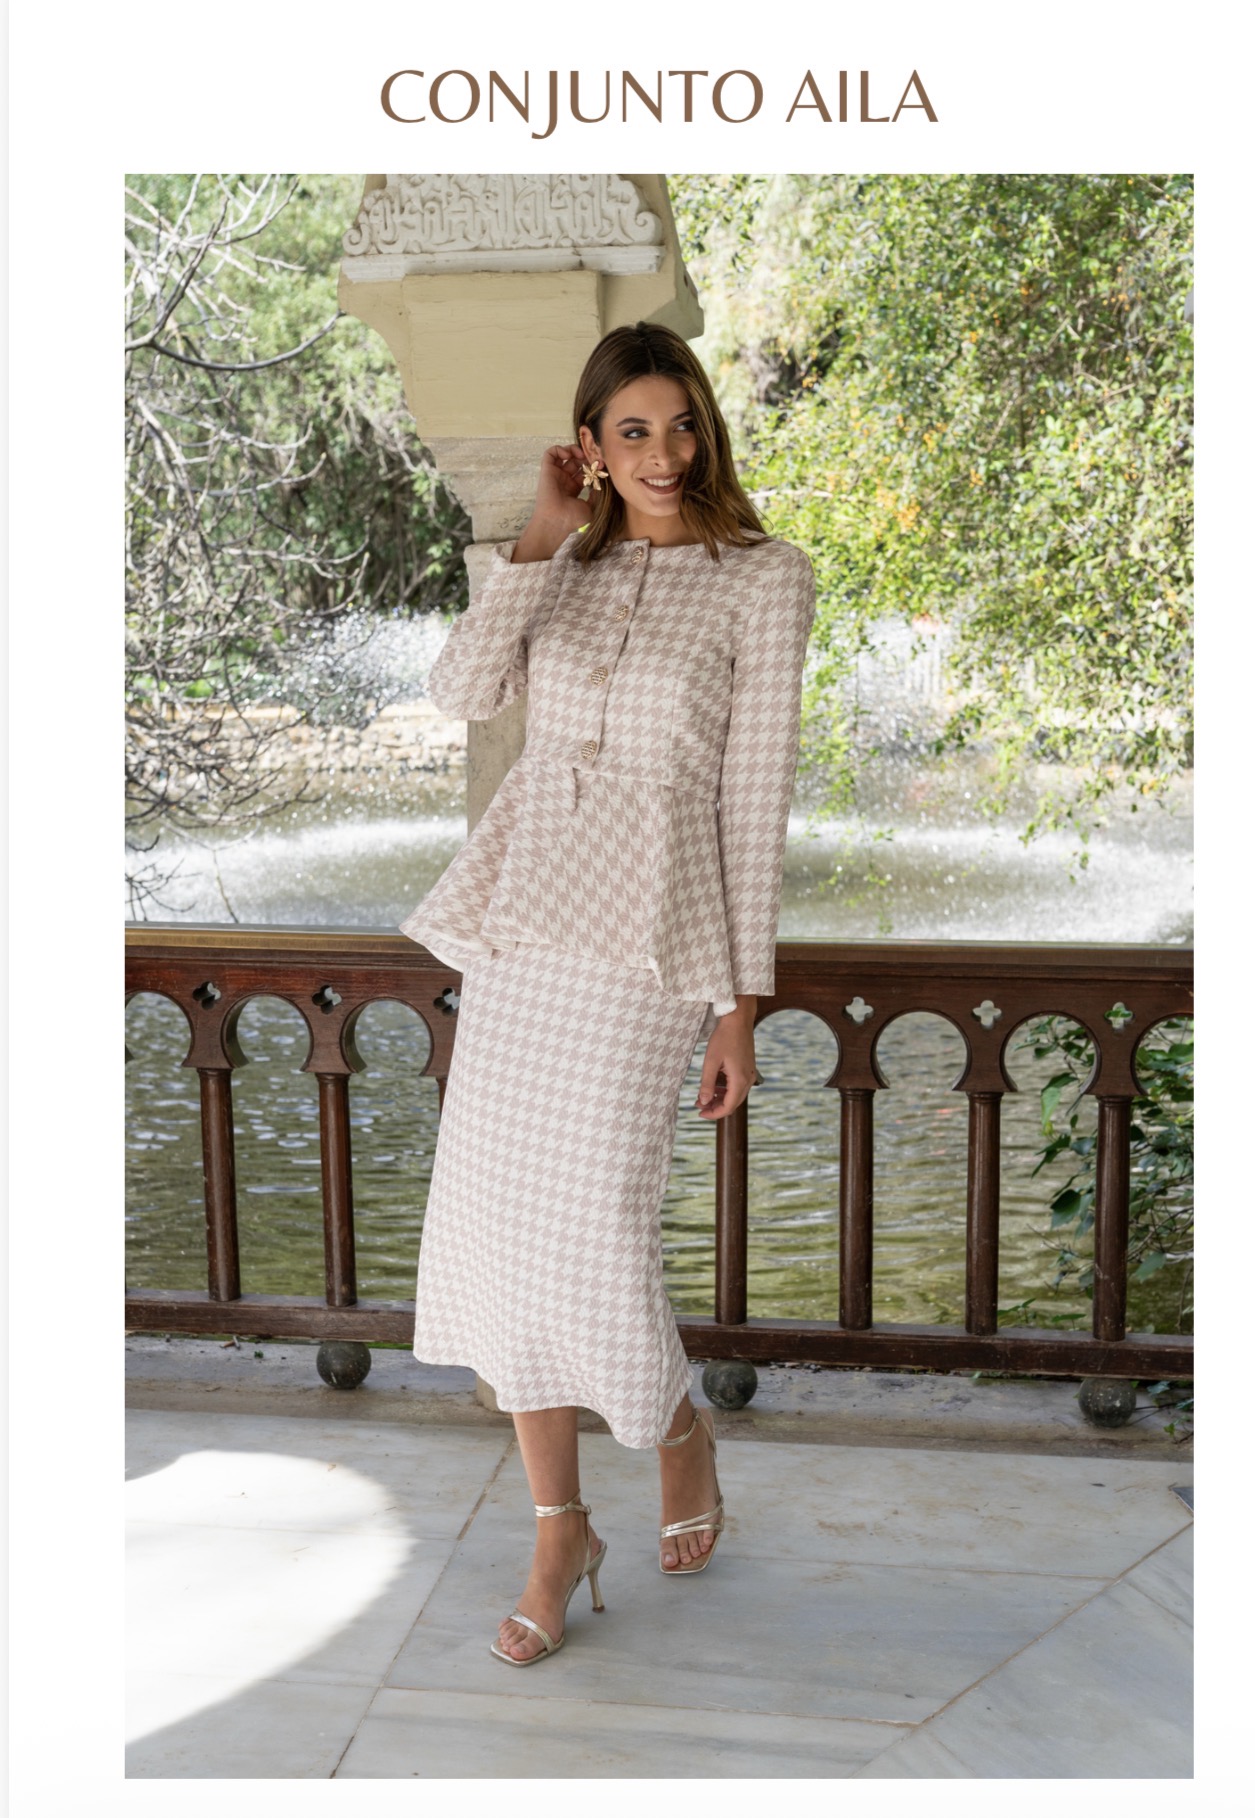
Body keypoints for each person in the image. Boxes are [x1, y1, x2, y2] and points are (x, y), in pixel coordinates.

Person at [399, 320, 816, 1665]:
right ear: (590, 443)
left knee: (593, 1227)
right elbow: (461, 690)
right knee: (501, 1223)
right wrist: (536, 533)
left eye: (681, 424)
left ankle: (675, 1423)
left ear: (708, 429)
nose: (662, 453)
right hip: (526, 930)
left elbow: (753, 802)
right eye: (632, 430)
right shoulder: (560, 568)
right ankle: (558, 1528)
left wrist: (738, 1004)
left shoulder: (764, 579)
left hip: (648, 945)